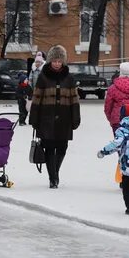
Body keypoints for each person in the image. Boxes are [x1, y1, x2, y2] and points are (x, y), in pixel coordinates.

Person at [29, 45, 81, 189]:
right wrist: (34, 118)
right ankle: (53, 178)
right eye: (55, 61)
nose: (57, 64)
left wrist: (75, 118)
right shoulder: (43, 77)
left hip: (65, 119)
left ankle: (55, 172)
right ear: (50, 61)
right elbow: (36, 98)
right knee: (50, 148)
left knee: (62, 147)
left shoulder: (69, 78)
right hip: (46, 118)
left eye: (60, 61)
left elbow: (74, 100)